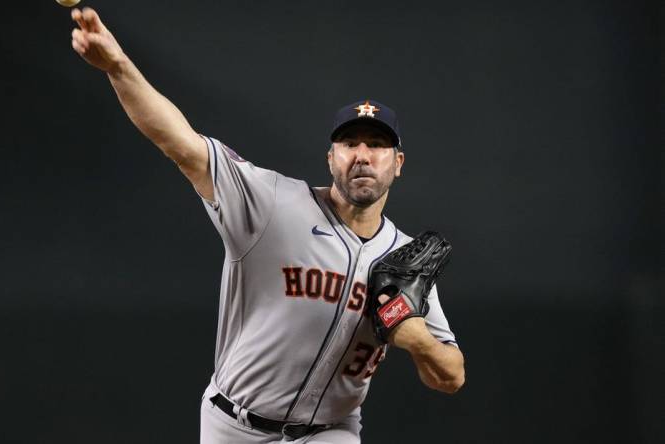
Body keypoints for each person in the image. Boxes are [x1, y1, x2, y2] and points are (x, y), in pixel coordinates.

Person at [69, 7, 465, 443]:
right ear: (331, 157)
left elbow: (451, 376)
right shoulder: (272, 203)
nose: (363, 155)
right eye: (349, 143)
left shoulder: (404, 259)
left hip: (330, 431)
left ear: (398, 163)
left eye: (377, 146)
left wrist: (417, 338)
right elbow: (180, 144)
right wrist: (119, 66)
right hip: (234, 425)